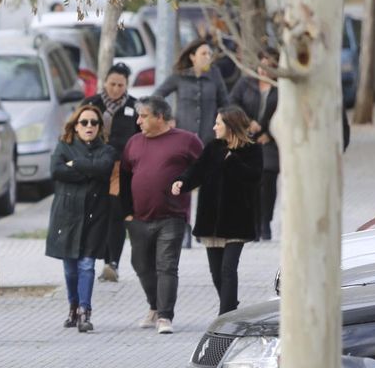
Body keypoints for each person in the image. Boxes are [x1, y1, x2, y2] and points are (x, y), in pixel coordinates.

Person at [120, 97, 203, 334]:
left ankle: (165, 316)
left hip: (172, 216)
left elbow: (203, 167)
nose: (139, 121)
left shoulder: (186, 140)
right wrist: (126, 212)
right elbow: (124, 177)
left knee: (166, 265)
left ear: (159, 117)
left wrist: (186, 183)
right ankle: (154, 307)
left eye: (144, 116)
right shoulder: (134, 142)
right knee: (141, 264)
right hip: (138, 217)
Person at [173, 108, 263, 315]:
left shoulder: (252, 150)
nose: (214, 127)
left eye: (218, 123)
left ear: (230, 126)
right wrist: (181, 182)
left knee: (228, 270)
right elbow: (197, 170)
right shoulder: (213, 147)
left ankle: (226, 317)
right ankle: (232, 309)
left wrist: (233, 161)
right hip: (211, 219)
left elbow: (254, 178)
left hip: (237, 220)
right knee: (216, 273)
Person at [47, 102, 118, 332]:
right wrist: (89, 172)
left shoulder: (106, 149)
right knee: (70, 267)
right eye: (84, 122)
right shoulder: (64, 146)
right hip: (67, 214)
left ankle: (85, 310)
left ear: (100, 127)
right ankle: (73, 306)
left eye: (94, 122)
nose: (89, 126)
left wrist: (76, 164)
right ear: (75, 125)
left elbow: (103, 169)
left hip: (94, 215)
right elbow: (57, 171)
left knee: (87, 265)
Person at [88, 62, 138, 282]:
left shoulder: (135, 107)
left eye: (121, 85)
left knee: (117, 214)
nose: (116, 89)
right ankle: (97, 259)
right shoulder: (92, 104)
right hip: (95, 167)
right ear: (105, 82)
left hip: (121, 168)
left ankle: (112, 263)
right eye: (112, 84)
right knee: (98, 214)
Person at [232, 48, 281, 241]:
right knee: (249, 181)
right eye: (262, 65)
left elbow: (287, 112)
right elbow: (232, 103)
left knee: (267, 179)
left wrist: (269, 132)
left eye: (269, 66)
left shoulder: (281, 87)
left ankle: (265, 223)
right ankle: (252, 223)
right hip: (248, 138)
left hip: (270, 141)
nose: (264, 70)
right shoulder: (246, 83)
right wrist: (247, 122)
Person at [154, 38, 234, 144]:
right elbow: (156, 96)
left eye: (210, 54)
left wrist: (223, 127)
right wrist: (167, 118)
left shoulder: (215, 74)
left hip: (208, 138)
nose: (208, 57)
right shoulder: (180, 75)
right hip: (183, 138)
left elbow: (225, 104)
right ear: (193, 57)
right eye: (203, 54)